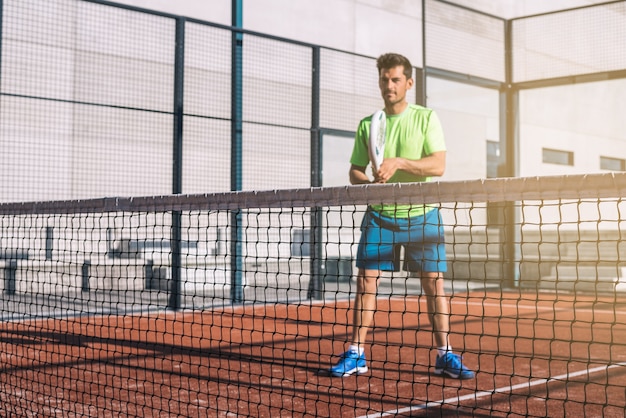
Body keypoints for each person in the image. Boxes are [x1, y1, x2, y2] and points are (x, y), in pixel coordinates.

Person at [329, 53, 474, 380]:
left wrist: (399, 162)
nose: (389, 85)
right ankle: (356, 353)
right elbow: (355, 170)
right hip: (380, 215)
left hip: (423, 215)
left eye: (395, 79)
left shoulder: (426, 118)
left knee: (434, 285)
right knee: (366, 282)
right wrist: (368, 184)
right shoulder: (369, 124)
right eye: (384, 79)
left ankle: (444, 354)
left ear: (409, 83)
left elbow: (438, 165)